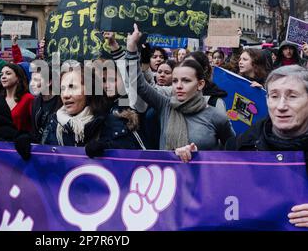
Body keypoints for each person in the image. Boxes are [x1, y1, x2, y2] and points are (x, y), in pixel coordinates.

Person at [178, 65, 308, 228]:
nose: (281, 106)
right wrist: (195, 164)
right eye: (274, 96)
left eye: (292, 96)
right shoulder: (239, 147)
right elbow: (215, 194)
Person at [126, 24, 235, 151]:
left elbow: (232, 151)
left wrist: (199, 156)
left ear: (200, 84)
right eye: (175, 81)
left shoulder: (217, 116)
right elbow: (139, 85)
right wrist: (131, 49)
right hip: (167, 171)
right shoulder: (165, 106)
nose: (178, 86)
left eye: (186, 81)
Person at [29, 63, 61, 143]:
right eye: (32, 79)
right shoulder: (36, 102)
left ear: (49, 82)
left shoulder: (61, 101)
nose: (32, 84)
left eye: (36, 80)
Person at [0, 62, 34, 133]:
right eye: (1, 74)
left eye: (8, 73)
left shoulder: (28, 98)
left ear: (18, 78)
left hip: (21, 141)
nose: (3, 76)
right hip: (1, 142)